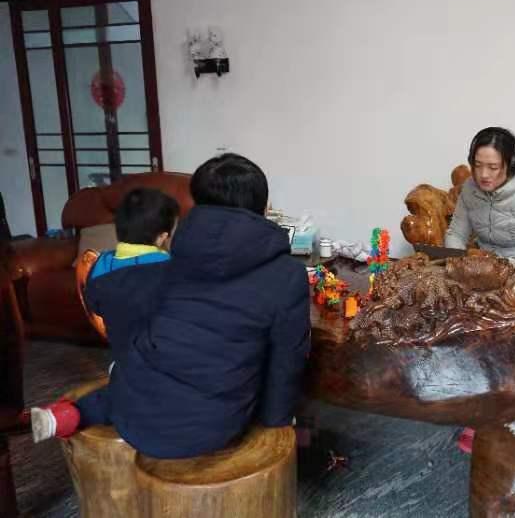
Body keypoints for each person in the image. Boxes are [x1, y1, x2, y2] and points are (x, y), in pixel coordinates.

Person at [33, 154, 311, 460]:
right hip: (213, 426)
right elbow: (287, 358)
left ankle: (69, 414)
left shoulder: (175, 257)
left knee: (123, 385)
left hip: (135, 413)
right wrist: (276, 421)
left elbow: (120, 296)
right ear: (262, 206)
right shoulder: (287, 274)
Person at [31, 188, 180, 442]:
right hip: (166, 363)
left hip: (124, 355)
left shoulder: (99, 266)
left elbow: (95, 306)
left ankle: (64, 415)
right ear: (162, 237)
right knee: (149, 394)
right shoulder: (173, 271)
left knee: (118, 393)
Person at [444, 127, 515, 265]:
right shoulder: (470, 188)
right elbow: (456, 234)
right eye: (477, 165)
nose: (483, 174)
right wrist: (459, 262)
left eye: (493, 167)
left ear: (511, 165)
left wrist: (506, 266)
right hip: (482, 265)